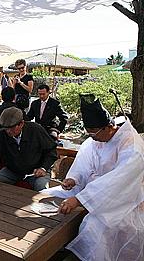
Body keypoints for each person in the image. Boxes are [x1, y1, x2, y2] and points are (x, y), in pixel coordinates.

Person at [42, 94, 144, 261]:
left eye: (94, 134)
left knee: (93, 226)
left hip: (124, 199)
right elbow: (84, 161)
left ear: (108, 127)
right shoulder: (97, 138)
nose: (92, 138)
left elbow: (117, 182)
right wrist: (74, 178)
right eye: (89, 134)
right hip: (91, 190)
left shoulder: (131, 145)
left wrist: (80, 199)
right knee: (47, 195)